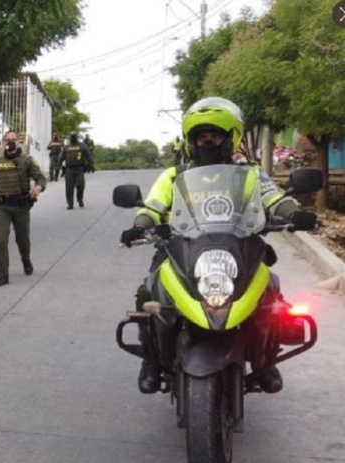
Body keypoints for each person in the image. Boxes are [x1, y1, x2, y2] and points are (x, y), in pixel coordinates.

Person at [119, 97, 318, 394]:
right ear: (191, 141)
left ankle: (267, 357)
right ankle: (151, 359)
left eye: (215, 136)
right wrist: (140, 226)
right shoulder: (173, 176)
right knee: (149, 293)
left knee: (270, 289)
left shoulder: (251, 174)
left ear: (230, 140)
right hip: (184, 244)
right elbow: (152, 206)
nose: (208, 142)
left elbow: (276, 199)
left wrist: (294, 214)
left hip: (239, 242)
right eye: (201, 137)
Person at [0, 130, 46, 287]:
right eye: (7, 140)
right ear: (2, 143)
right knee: (0, 241)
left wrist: (38, 188)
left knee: (23, 241)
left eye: (13, 139)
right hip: (3, 207)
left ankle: (26, 261)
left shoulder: (26, 161)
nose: (10, 142)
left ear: (19, 142)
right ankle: (3, 275)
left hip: (21, 207)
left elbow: (40, 178)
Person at [61, 131, 93, 210]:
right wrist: (58, 166)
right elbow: (61, 157)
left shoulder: (82, 146)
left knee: (80, 185)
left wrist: (91, 164)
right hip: (69, 170)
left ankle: (80, 199)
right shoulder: (66, 147)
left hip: (79, 169)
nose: (72, 138)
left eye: (74, 136)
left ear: (76, 137)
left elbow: (89, 155)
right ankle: (70, 204)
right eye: (71, 136)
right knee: (69, 188)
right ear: (69, 138)